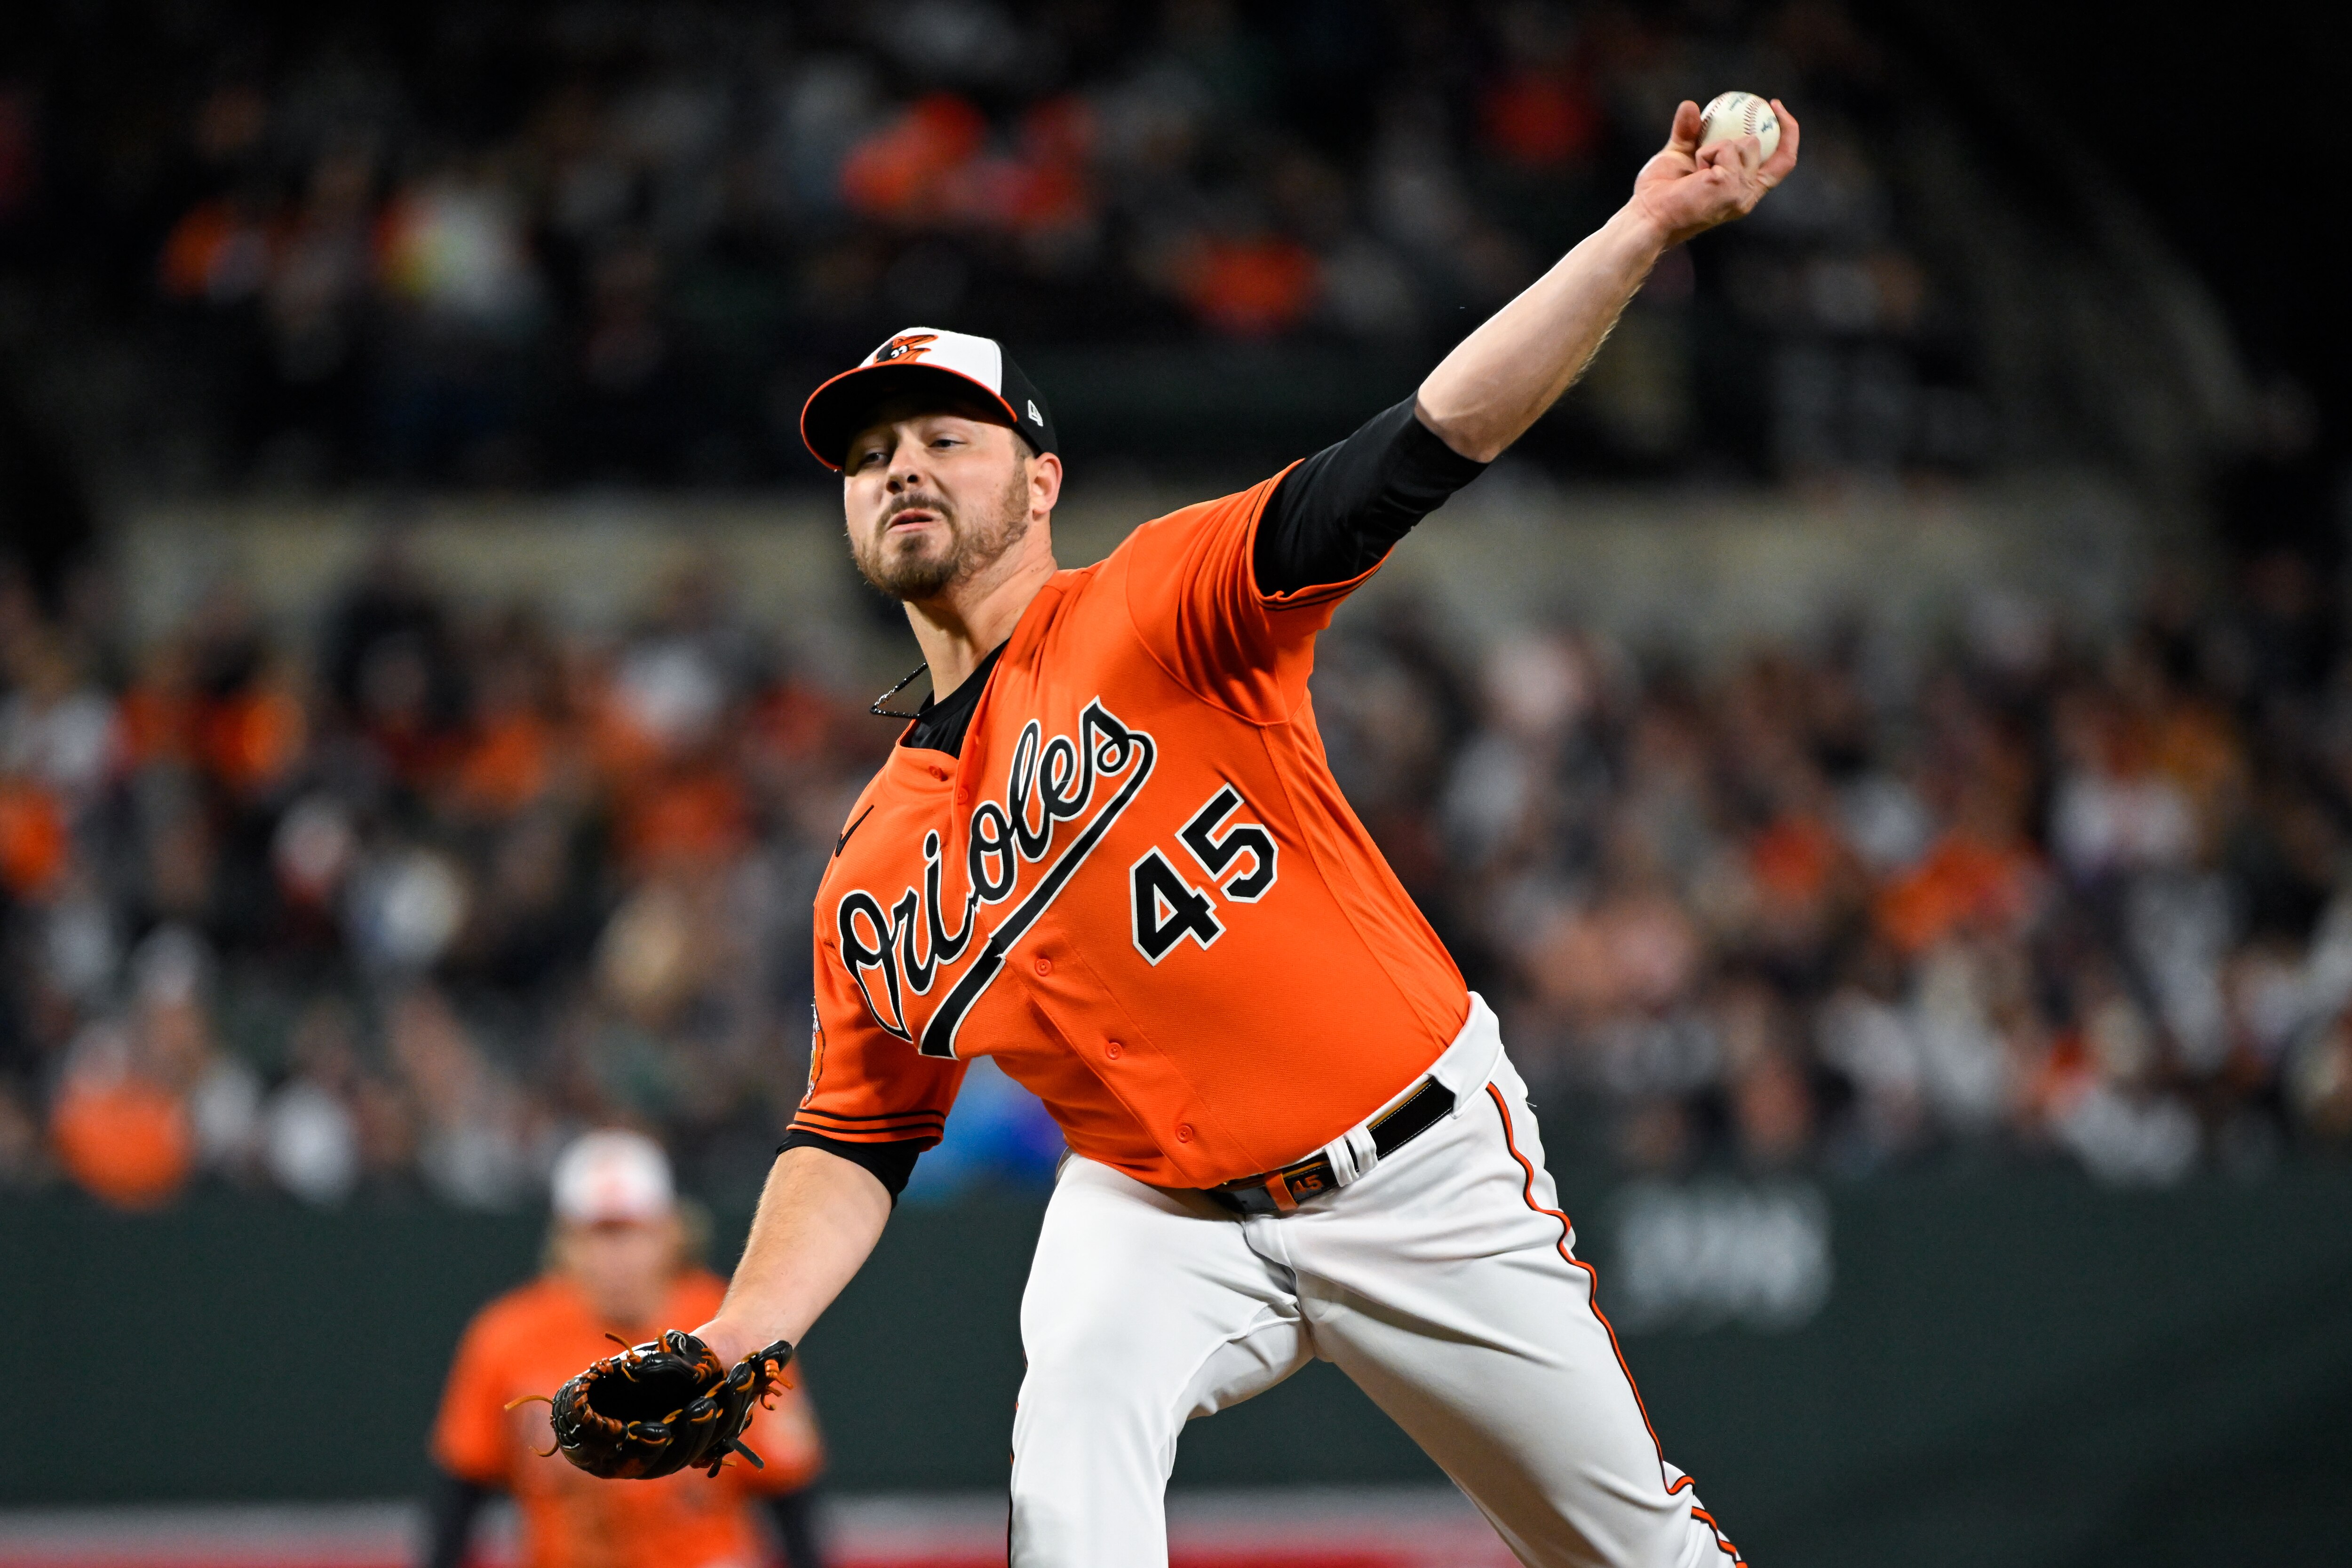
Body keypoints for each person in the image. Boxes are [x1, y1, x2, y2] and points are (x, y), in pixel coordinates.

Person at [685, 101, 1797, 1566]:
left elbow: (1433, 435)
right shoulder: (875, 859)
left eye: (947, 438)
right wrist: (735, 1331)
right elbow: (857, 1127)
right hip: (1156, 1207)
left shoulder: (1158, 600)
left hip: (1414, 1166)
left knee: (1639, 1555)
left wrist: (1639, 229)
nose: (900, 467)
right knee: (1071, 1446)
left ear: (1039, 482)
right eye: (869, 452)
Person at [424, 1130, 827, 1568]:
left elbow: (790, 1494)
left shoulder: (733, 1326)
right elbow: (460, 1495)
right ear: (565, 1243)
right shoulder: (506, 1335)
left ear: (672, 1233)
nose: (616, 1255)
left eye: (631, 1232)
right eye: (599, 1234)